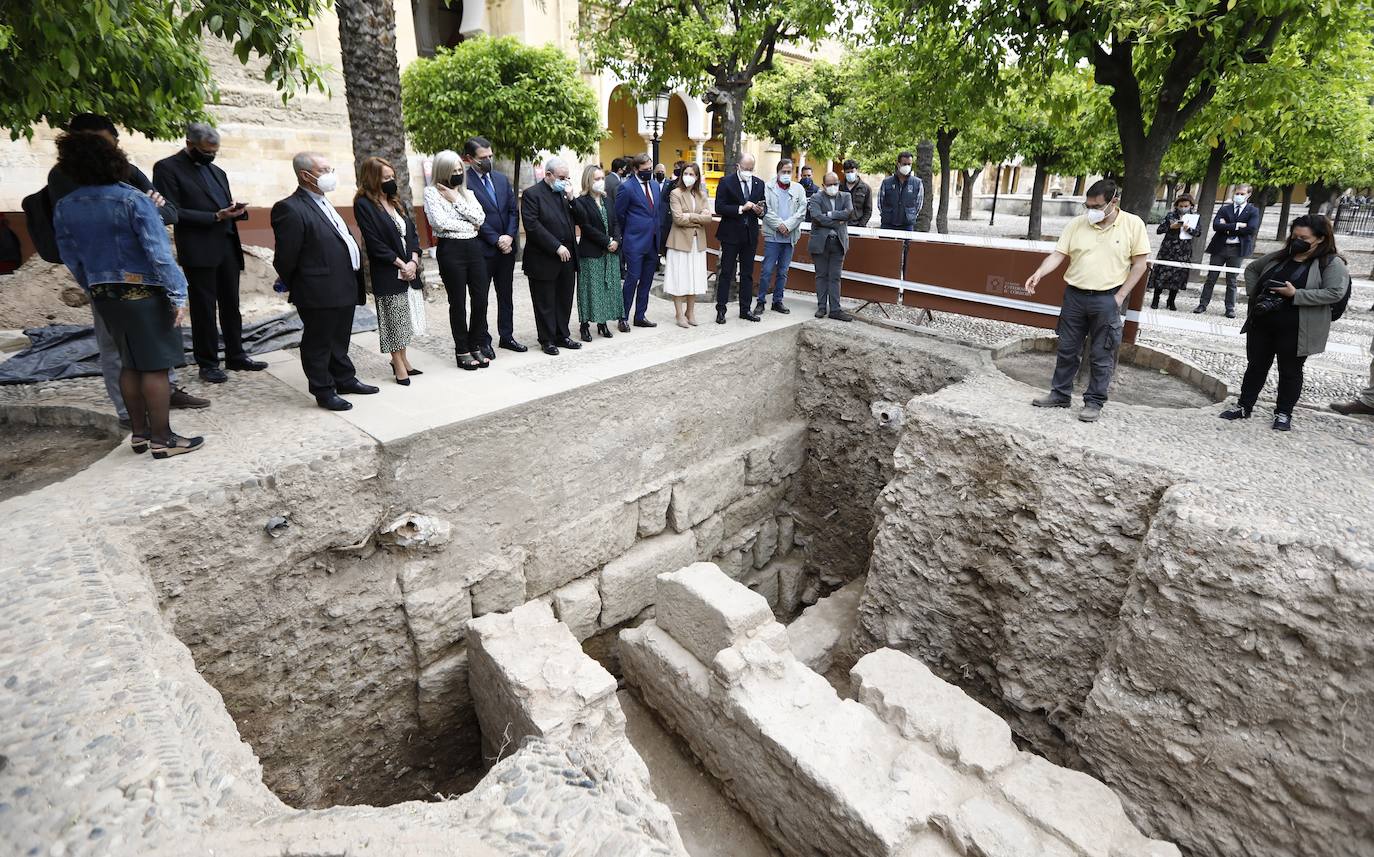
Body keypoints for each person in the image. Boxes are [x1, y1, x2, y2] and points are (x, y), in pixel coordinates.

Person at [46, 114, 208, 422]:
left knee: (128, 355)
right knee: (138, 355)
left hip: (102, 283)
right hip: (143, 285)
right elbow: (158, 248)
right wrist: (178, 294)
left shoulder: (74, 201)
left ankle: (138, 423)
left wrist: (91, 283)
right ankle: (158, 435)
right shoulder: (129, 197)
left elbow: (169, 211)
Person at [1023, 179, 1150, 423]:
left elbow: (1140, 265)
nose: (1091, 211)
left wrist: (1120, 297)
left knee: (1102, 354)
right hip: (1075, 296)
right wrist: (1039, 273)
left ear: (1114, 201)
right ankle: (1060, 394)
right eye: (1088, 205)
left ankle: (1094, 402)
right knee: (1067, 348)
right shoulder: (1077, 224)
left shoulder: (1133, 225)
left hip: (1107, 298)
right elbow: (1059, 254)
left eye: (1097, 206)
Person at [153, 123, 267, 383]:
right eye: (205, 151)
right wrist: (214, 216)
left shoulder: (218, 171)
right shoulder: (167, 168)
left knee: (231, 304)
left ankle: (236, 355)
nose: (210, 156)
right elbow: (171, 212)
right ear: (190, 144)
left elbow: (222, 206)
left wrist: (233, 211)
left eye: (214, 151)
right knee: (204, 308)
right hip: (199, 247)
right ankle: (208, 362)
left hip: (227, 243)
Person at [1220, 215, 1349, 431]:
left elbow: (1334, 293)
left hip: (1297, 328)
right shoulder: (1282, 256)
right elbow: (1252, 269)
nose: (1297, 240)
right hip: (1262, 323)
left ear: (1320, 238)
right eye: (1294, 235)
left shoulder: (1331, 263)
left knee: (1290, 371)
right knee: (1256, 367)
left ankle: (1283, 413)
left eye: (1303, 237)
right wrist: (1255, 293)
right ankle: (1244, 406)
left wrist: (1296, 294)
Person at [271, 152, 377, 411]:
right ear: (306, 175)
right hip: (317, 288)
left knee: (339, 337)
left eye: (330, 168)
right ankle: (323, 389)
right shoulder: (289, 208)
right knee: (318, 341)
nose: (330, 174)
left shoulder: (324, 201)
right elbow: (286, 257)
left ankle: (344, 378)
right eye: (323, 170)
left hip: (343, 283)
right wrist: (296, 283)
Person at [353, 156, 423, 384]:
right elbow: (374, 242)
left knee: (404, 318)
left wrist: (413, 261)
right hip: (388, 269)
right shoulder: (364, 205)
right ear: (373, 179)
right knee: (392, 318)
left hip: (408, 268)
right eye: (386, 177)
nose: (391, 181)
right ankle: (398, 363)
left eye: (392, 176)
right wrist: (401, 264)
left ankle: (402, 359)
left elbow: (411, 233)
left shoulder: (396, 201)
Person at [425, 150, 490, 370]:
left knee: (481, 300)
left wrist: (455, 200)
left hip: (474, 249)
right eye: (452, 170)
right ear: (441, 171)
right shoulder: (431, 193)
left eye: (459, 169)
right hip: (451, 250)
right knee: (458, 302)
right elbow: (439, 223)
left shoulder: (467, 193)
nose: (457, 173)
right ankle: (462, 349)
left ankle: (476, 345)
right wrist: (469, 224)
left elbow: (480, 218)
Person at [463, 136, 525, 355]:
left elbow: (511, 211)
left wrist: (509, 236)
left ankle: (506, 336)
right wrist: (496, 239)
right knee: (480, 298)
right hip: (483, 250)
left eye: (490, 155)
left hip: (506, 250)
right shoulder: (464, 183)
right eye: (483, 157)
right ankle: (483, 339)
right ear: (469, 159)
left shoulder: (500, 179)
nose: (488, 160)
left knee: (505, 296)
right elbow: (473, 218)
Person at [521, 157, 581, 355]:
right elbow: (532, 225)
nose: (565, 181)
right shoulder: (532, 194)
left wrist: (572, 199)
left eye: (567, 177)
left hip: (568, 256)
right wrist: (556, 246)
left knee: (564, 299)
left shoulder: (564, 194)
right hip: (544, 257)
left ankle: (562, 335)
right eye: (561, 177)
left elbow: (583, 218)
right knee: (545, 302)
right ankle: (547, 339)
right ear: (548, 175)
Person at [714, 153, 768, 323]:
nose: (748, 172)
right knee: (726, 272)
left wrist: (760, 211)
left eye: (751, 169)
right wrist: (740, 208)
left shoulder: (759, 183)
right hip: (730, 234)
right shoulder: (726, 182)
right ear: (738, 166)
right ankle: (721, 309)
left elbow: (763, 207)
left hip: (750, 235)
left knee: (747, 274)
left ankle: (745, 309)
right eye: (746, 168)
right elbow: (719, 207)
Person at [1193, 185, 1261, 317]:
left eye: (1242, 194)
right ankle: (1203, 304)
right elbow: (1217, 226)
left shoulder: (1252, 211)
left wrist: (1227, 226)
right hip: (1220, 248)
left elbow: (1251, 229)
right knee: (1211, 278)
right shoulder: (1225, 209)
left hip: (1237, 249)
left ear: (1248, 194)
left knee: (1232, 280)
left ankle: (1230, 308)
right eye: (1237, 193)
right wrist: (1237, 225)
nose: (1239, 196)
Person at [571, 165, 622, 341]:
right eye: (596, 179)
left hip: (610, 253)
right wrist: (607, 241)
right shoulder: (581, 201)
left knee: (606, 290)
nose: (600, 182)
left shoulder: (608, 200)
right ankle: (584, 325)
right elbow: (586, 227)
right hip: (592, 253)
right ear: (588, 181)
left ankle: (602, 323)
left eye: (602, 178)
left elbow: (616, 222)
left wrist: (616, 240)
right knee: (589, 290)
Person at [614, 153, 661, 331]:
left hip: (652, 241)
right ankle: (623, 317)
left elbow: (656, 213)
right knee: (632, 280)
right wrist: (629, 233)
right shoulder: (626, 188)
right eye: (645, 170)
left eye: (650, 169)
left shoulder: (656, 186)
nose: (649, 172)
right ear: (635, 169)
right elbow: (620, 214)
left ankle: (640, 316)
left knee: (647, 281)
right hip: (634, 242)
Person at [665, 162, 713, 327]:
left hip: (697, 242)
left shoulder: (701, 194)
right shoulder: (675, 193)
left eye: (692, 174)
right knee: (680, 277)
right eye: (686, 173)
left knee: (694, 277)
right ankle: (679, 314)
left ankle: (690, 312)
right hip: (679, 242)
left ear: (698, 177)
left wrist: (690, 216)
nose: (688, 177)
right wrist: (697, 217)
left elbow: (708, 218)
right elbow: (678, 218)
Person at [756, 158, 806, 316]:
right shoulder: (768, 188)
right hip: (773, 236)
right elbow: (765, 210)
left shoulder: (798, 189)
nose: (786, 174)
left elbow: (802, 211)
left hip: (790, 237)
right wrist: (779, 225)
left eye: (789, 172)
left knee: (783, 271)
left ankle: (778, 301)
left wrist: (788, 226)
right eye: (783, 171)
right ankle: (761, 301)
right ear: (777, 172)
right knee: (767, 270)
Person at [808, 172, 854, 321]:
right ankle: (821, 307)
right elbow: (816, 217)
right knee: (821, 275)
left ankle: (835, 310)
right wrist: (836, 221)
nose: (833, 187)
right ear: (823, 186)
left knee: (835, 277)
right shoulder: (816, 198)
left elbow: (849, 213)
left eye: (835, 184)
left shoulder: (846, 197)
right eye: (829, 184)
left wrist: (828, 214)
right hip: (821, 242)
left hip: (838, 242)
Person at [1148, 194, 1197, 311]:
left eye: (1186, 206)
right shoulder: (1171, 215)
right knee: (1161, 274)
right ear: (1177, 206)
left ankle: (1171, 300)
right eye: (1181, 206)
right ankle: (1156, 299)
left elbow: (1198, 232)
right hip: (1168, 250)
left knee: (1178, 276)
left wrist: (1188, 229)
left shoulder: (1194, 217)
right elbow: (1159, 230)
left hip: (1183, 251)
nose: (1184, 208)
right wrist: (1171, 227)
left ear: (1190, 205)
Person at [878, 151, 924, 231]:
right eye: (904, 164)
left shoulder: (917, 183)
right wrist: (887, 214)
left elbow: (918, 204)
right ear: (898, 164)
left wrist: (910, 215)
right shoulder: (886, 182)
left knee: (907, 244)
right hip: (888, 224)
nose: (907, 166)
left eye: (909, 164)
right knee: (885, 244)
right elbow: (880, 202)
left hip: (907, 225)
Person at [842, 159, 873, 228]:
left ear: (857, 171)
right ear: (844, 173)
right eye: (848, 172)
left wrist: (861, 224)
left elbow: (868, 210)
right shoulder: (839, 188)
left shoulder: (866, 188)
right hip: (841, 225)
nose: (850, 174)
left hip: (857, 226)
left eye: (852, 171)